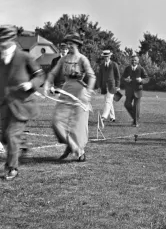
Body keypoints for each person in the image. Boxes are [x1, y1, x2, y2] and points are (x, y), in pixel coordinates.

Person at [0, 25, 45, 180]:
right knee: (4, 138)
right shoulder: (1, 59)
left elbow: (40, 76)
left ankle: (12, 168)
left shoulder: (24, 57)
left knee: (11, 135)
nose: (2, 45)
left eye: (4, 41)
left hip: (22, 103)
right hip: (5, 105)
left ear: (12, 40)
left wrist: (30, 84)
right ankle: (22, 144)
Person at [44, 32, 96, 161]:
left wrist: (88, 92)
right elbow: (53, 73)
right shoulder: (63, 59)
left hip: (80, 94)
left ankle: (79, 151)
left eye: (71, 44)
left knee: (77, 126)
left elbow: (92, 76)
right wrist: (47, 83)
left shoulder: (83, 59)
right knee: (57, 121)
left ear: (77, 45)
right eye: (67, 44)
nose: (69, 46)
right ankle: (72, 146)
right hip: (66, 91)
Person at [122, 55, 149, 127]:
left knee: (136, 106)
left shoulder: (141, 69)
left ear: (138, 61)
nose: (133, 61)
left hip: (138, 90)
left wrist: (141, 80)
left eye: (135, 60)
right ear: (130, 61)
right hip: (129, 90)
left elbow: (147, 78)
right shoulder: (127, 68)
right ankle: (135, 118)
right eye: (132, 60)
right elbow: (123, 78)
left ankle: (136, 122)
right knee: (127, 104)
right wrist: (126, 80)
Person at [97, 50, 120, 124]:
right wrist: (99, 87)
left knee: (108, 101)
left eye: (107, 56)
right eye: (104, 57)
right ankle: (112, 117)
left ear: (110, 56)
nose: (106, 58)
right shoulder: (102, 65)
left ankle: (103, 116)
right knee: (108, 101)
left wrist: (117, 86)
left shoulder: (114, 64)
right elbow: (100, 77)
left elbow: (117, 76)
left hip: (112, 86)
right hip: (104, 86)